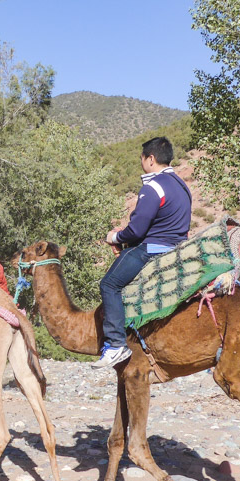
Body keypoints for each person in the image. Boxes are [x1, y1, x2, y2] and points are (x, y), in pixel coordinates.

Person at [94, 136, 192, 368]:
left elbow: (136, 230)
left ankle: (116, 344)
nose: (141, 163)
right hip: (177, 249)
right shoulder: (182, 185)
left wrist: (115, 237)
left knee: (109, 285)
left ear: (150, 159)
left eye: (142, 158)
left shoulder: (153, 187)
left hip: (153, 249)